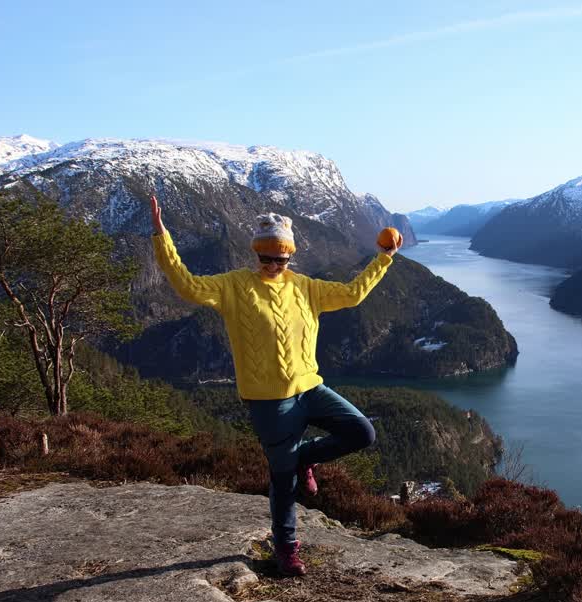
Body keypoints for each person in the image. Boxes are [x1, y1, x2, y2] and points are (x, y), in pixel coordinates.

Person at [148, 194, 401, 576]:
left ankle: (306, 457)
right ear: (256, 255)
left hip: (311, 389)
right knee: (282, 481)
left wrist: (383, 258)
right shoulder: (234, 286)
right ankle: (286, 548)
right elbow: (188, 287)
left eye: (280, 259)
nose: (272, 265)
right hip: (269, 402)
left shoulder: (306, 288)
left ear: (290, 257)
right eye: (266, 258)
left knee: (361, 432)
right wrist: (162, 237)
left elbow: (353, 293)